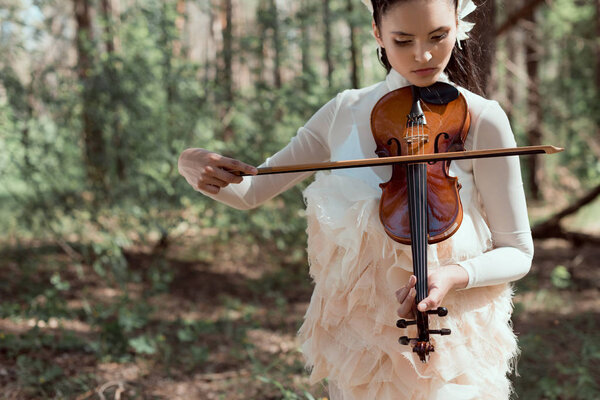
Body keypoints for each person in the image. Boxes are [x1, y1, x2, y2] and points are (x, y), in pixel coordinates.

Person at [178, 0, 533, 398]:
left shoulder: (481, 118)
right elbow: (252, 190)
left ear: (458, 27)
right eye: (403, 40)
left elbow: (518, 251)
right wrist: (189, 163)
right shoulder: (342, 113)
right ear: (377, 33)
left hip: (455, 349)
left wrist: (453, 275)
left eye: (438, 36)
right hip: (362, 349)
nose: (423, 55)